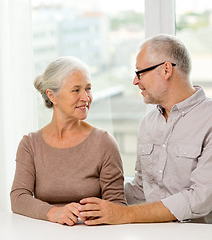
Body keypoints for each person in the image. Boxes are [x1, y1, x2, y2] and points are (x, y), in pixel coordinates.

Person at [79, 34, 212, 225]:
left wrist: (123, 215)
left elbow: (199, 199)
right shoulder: (148, 122)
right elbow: (142, 189)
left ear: (166, 70)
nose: (135, 81)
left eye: (140, 72)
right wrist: (90, 192)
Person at [10, 56, 126, 226]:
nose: (86, 97)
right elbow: (19, 198)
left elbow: (117, 206)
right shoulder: (30, 145)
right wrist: (54, 213)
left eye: (88, 88)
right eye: (76, 90)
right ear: (52, 96)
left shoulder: (104, 142)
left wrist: (95, 214)